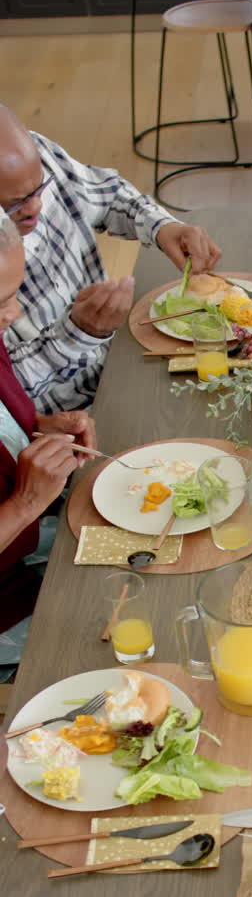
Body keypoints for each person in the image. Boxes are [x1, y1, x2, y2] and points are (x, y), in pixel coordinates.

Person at [0, 103, 222, 415]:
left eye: (41, 188)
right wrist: (79, 333)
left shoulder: (33, 156)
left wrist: (162, 227)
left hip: (119, 354)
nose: (36, 206)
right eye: (14, 206)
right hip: (61, 417)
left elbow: (106, 194)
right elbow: (8, 392)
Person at [0, 206, 96, 677]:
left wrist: (39, 425)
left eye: (13, 294)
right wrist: (23, 502)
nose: (13, 314)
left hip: (33, 538)